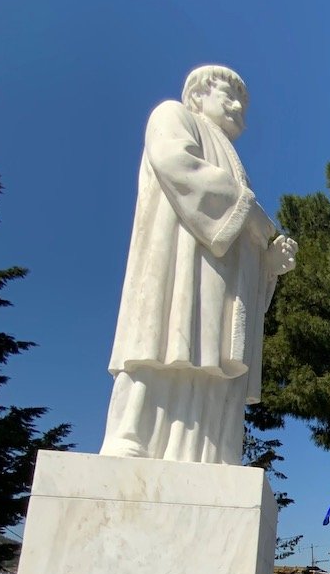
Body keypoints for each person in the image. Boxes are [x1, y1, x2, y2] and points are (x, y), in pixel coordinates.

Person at [101, 66, 298, 464]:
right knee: (163, 341)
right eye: (229, 95)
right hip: (179, 266)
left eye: (243, 101)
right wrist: (252, 215)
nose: (239, 106)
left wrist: (269, 264)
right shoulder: (173, 115)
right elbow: (176, 163)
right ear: (198, 95)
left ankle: (206, 451)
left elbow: (242, 232)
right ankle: (133, 436)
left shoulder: (232, 156)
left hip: (221, 281)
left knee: (214, 358)